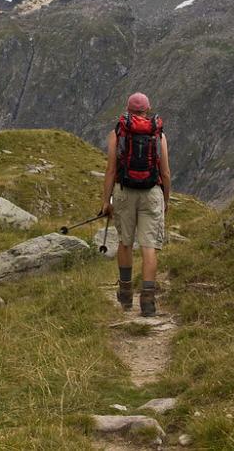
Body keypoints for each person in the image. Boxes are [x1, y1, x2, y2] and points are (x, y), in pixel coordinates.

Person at [100, 92, 171, 317]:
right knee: (149, 247)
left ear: (128, 110)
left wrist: (106, 200)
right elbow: (166, 172)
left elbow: (111, 169)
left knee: (125, 243)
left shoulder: (118, 133)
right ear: (147, 110)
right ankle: (148, 302)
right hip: (151, 193)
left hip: (124, 192)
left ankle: (125, 293)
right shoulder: (158, 134)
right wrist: (165, 199)